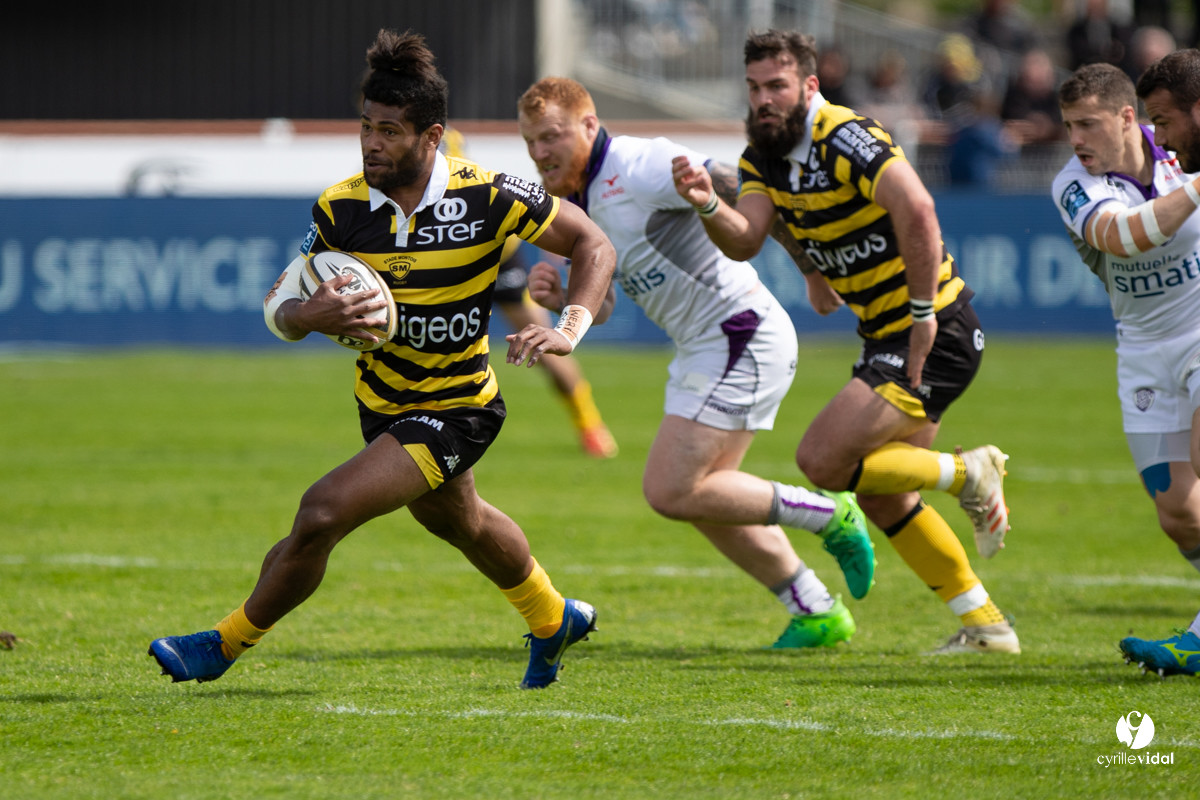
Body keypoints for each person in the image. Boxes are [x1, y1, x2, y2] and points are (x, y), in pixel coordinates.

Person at [148, 28, 617, 690]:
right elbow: (281, 300)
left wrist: (570, 326)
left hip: (459, 408)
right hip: (383, 406)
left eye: (390, 131)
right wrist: (305, 317)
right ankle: (552, 616)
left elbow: (594, 245)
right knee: (465, 522)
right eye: (366, 127)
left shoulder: (489, 194)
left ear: (432, 137)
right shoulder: (340, 208)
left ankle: (221, 645)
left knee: (322, 512)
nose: (372, 142)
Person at [672, 29, 1018, 654]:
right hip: (886, 332)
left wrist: (922, 314)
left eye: (777, 86)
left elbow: (917, 209)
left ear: (809, 85)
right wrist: (706, 205)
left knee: (821, 462)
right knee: (886, 497)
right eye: (754, 87)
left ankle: (969, 472)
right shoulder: (763, 156)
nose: (764, 99)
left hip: (932, 327)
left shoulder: (845, 136)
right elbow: (747, 238)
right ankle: (986, 625)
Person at [516, 77, 876, 649]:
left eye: (551, 136)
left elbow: (745, 190)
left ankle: (831, 513)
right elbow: (603, 306)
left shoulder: (639, 163)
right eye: (530, 141)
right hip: (704, 346)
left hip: (740, 333)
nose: (539, 152)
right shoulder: (568, 202)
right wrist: (564, 298)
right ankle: (815, 610)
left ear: (589, 125)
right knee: (705, 496)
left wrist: (810, 268)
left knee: (670, 489)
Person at [1073, 51, 1200, 676]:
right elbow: (1122, 237)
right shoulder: (1073, 183)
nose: (1076, 140)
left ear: (1128, 119)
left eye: (1087, 124)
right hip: (1144, 351)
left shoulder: (1181, 151)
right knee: (1179, 514)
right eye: (1068, 125)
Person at [441, 128, 618, 459]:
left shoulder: (445, 143)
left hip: (500, 261)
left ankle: (590, 424)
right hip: (448, 265)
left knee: (544, 348)